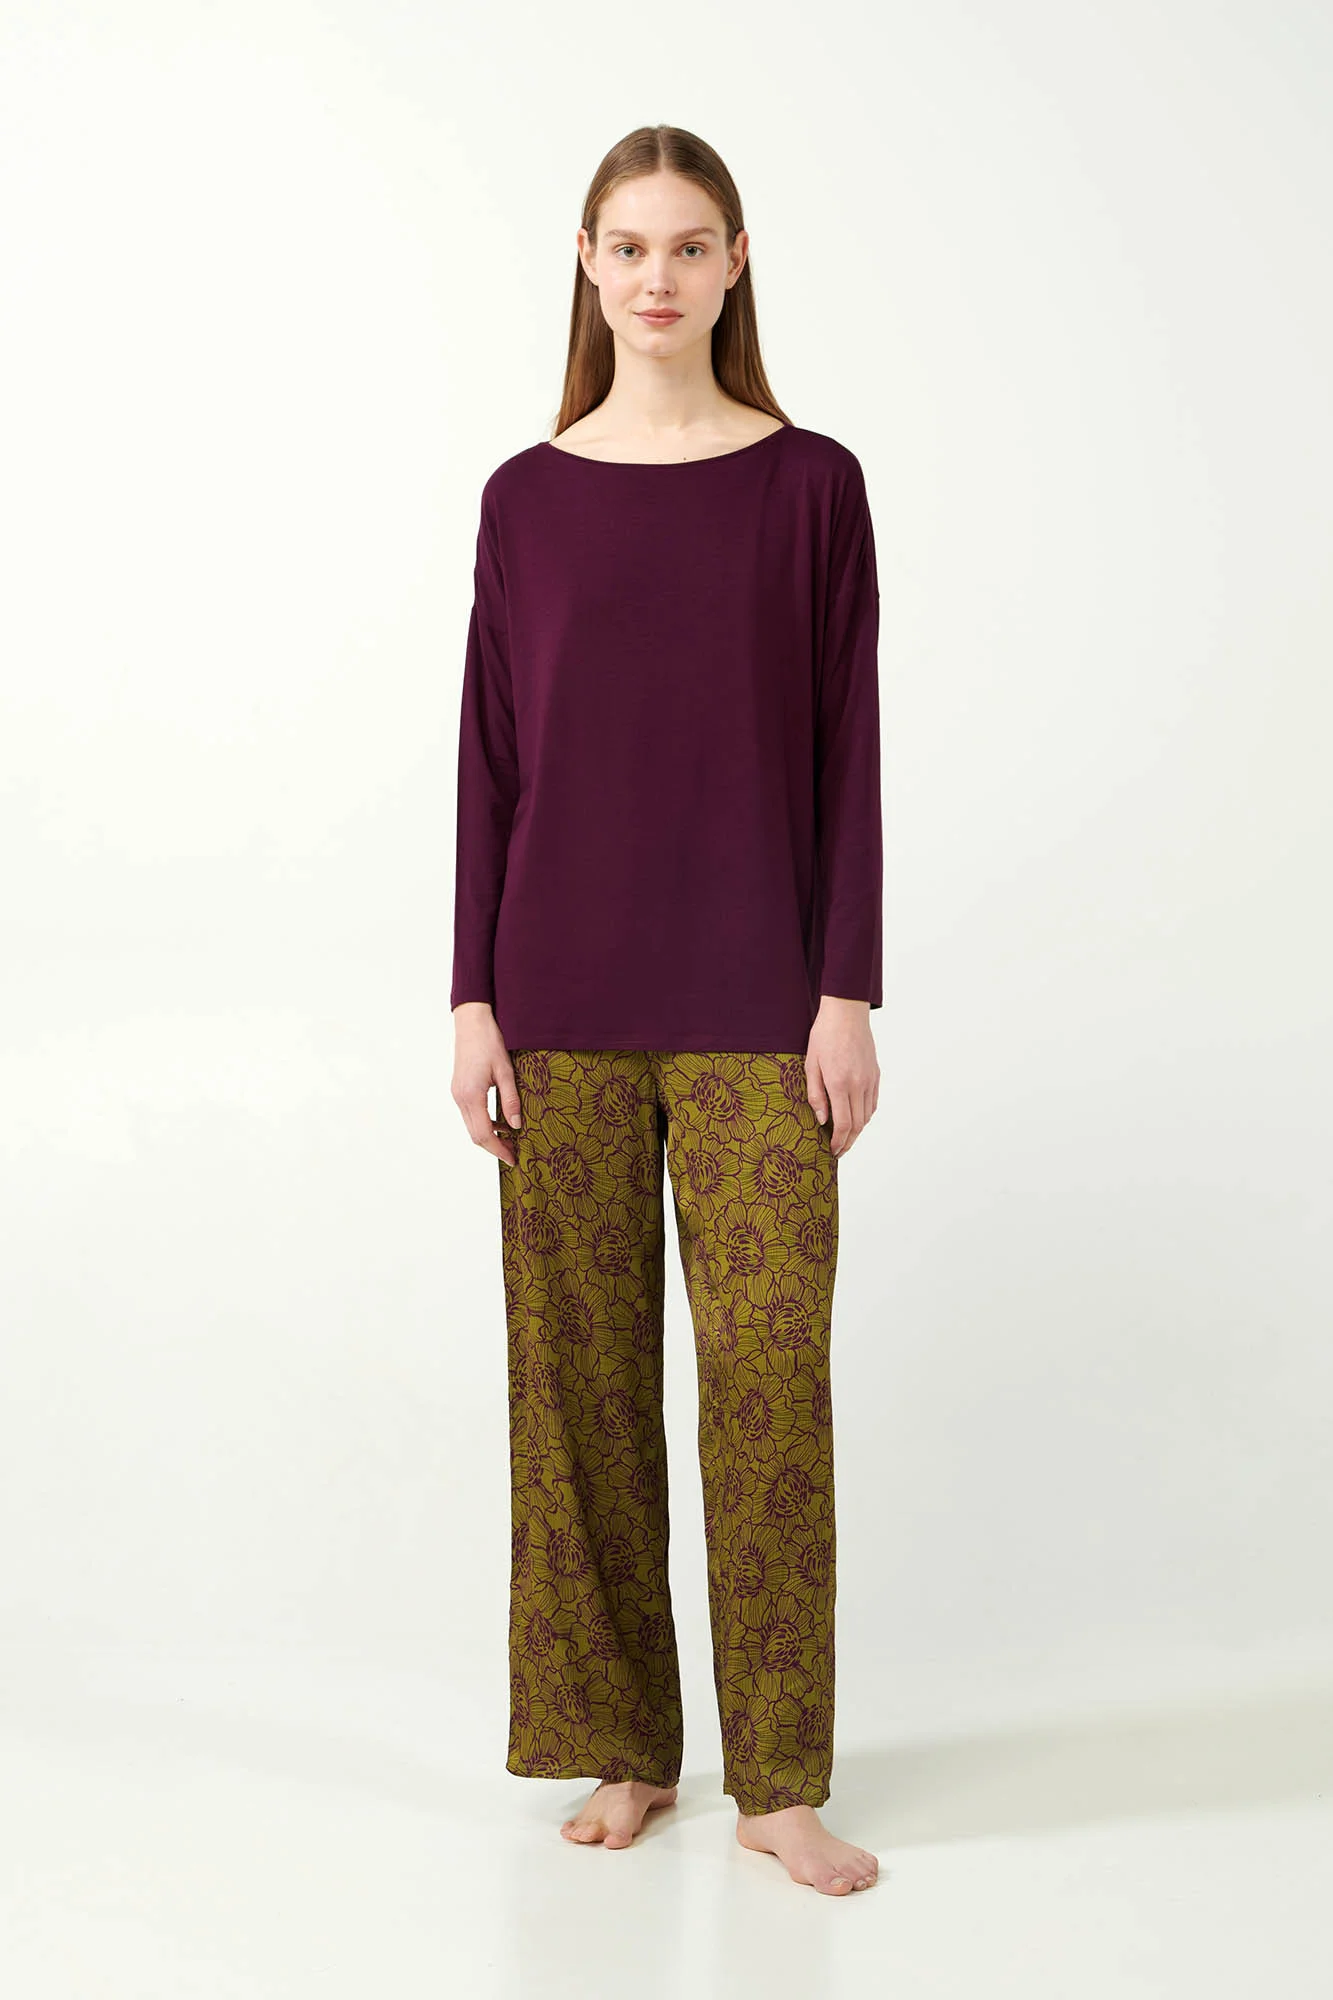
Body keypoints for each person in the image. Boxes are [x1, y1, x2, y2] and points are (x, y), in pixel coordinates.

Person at [450, 124, 882, 1898]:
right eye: (627, 247)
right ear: (585, 261)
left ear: (735, 263)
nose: (656, 277)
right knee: (581, 1390)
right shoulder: (524, 498)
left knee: (769, 1380)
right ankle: (629, 1747)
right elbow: (490, 759)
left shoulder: (812, 486)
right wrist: (471, 995)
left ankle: (778, 1779)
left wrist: (846, 991)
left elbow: (849, 749)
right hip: (555, 1000)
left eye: (687, 246)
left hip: (761, 1003)